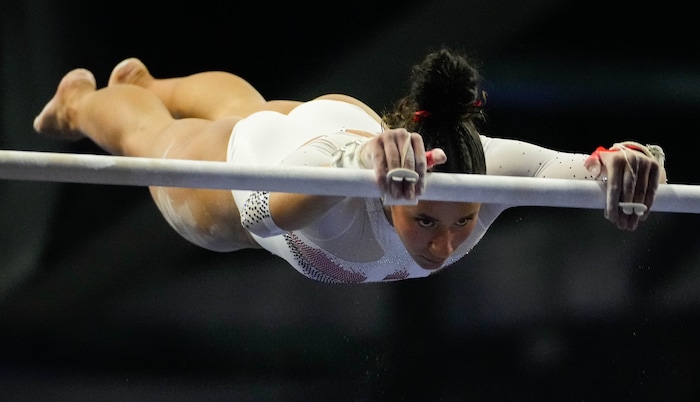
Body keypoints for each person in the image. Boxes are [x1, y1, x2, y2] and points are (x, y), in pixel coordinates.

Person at [33, 48, 666, 283]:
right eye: (425, 222)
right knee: (152, 137)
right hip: (245, 183)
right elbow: (274, 211)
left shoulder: (486, 172)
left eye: (462, 222)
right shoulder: (335, 205)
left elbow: (587, 171)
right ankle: (79, 104)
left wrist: (629, 165)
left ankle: (153, 77)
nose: (445, 244)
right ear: (390, 196)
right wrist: (354, 165)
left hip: (338, 127)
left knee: (245, 107)